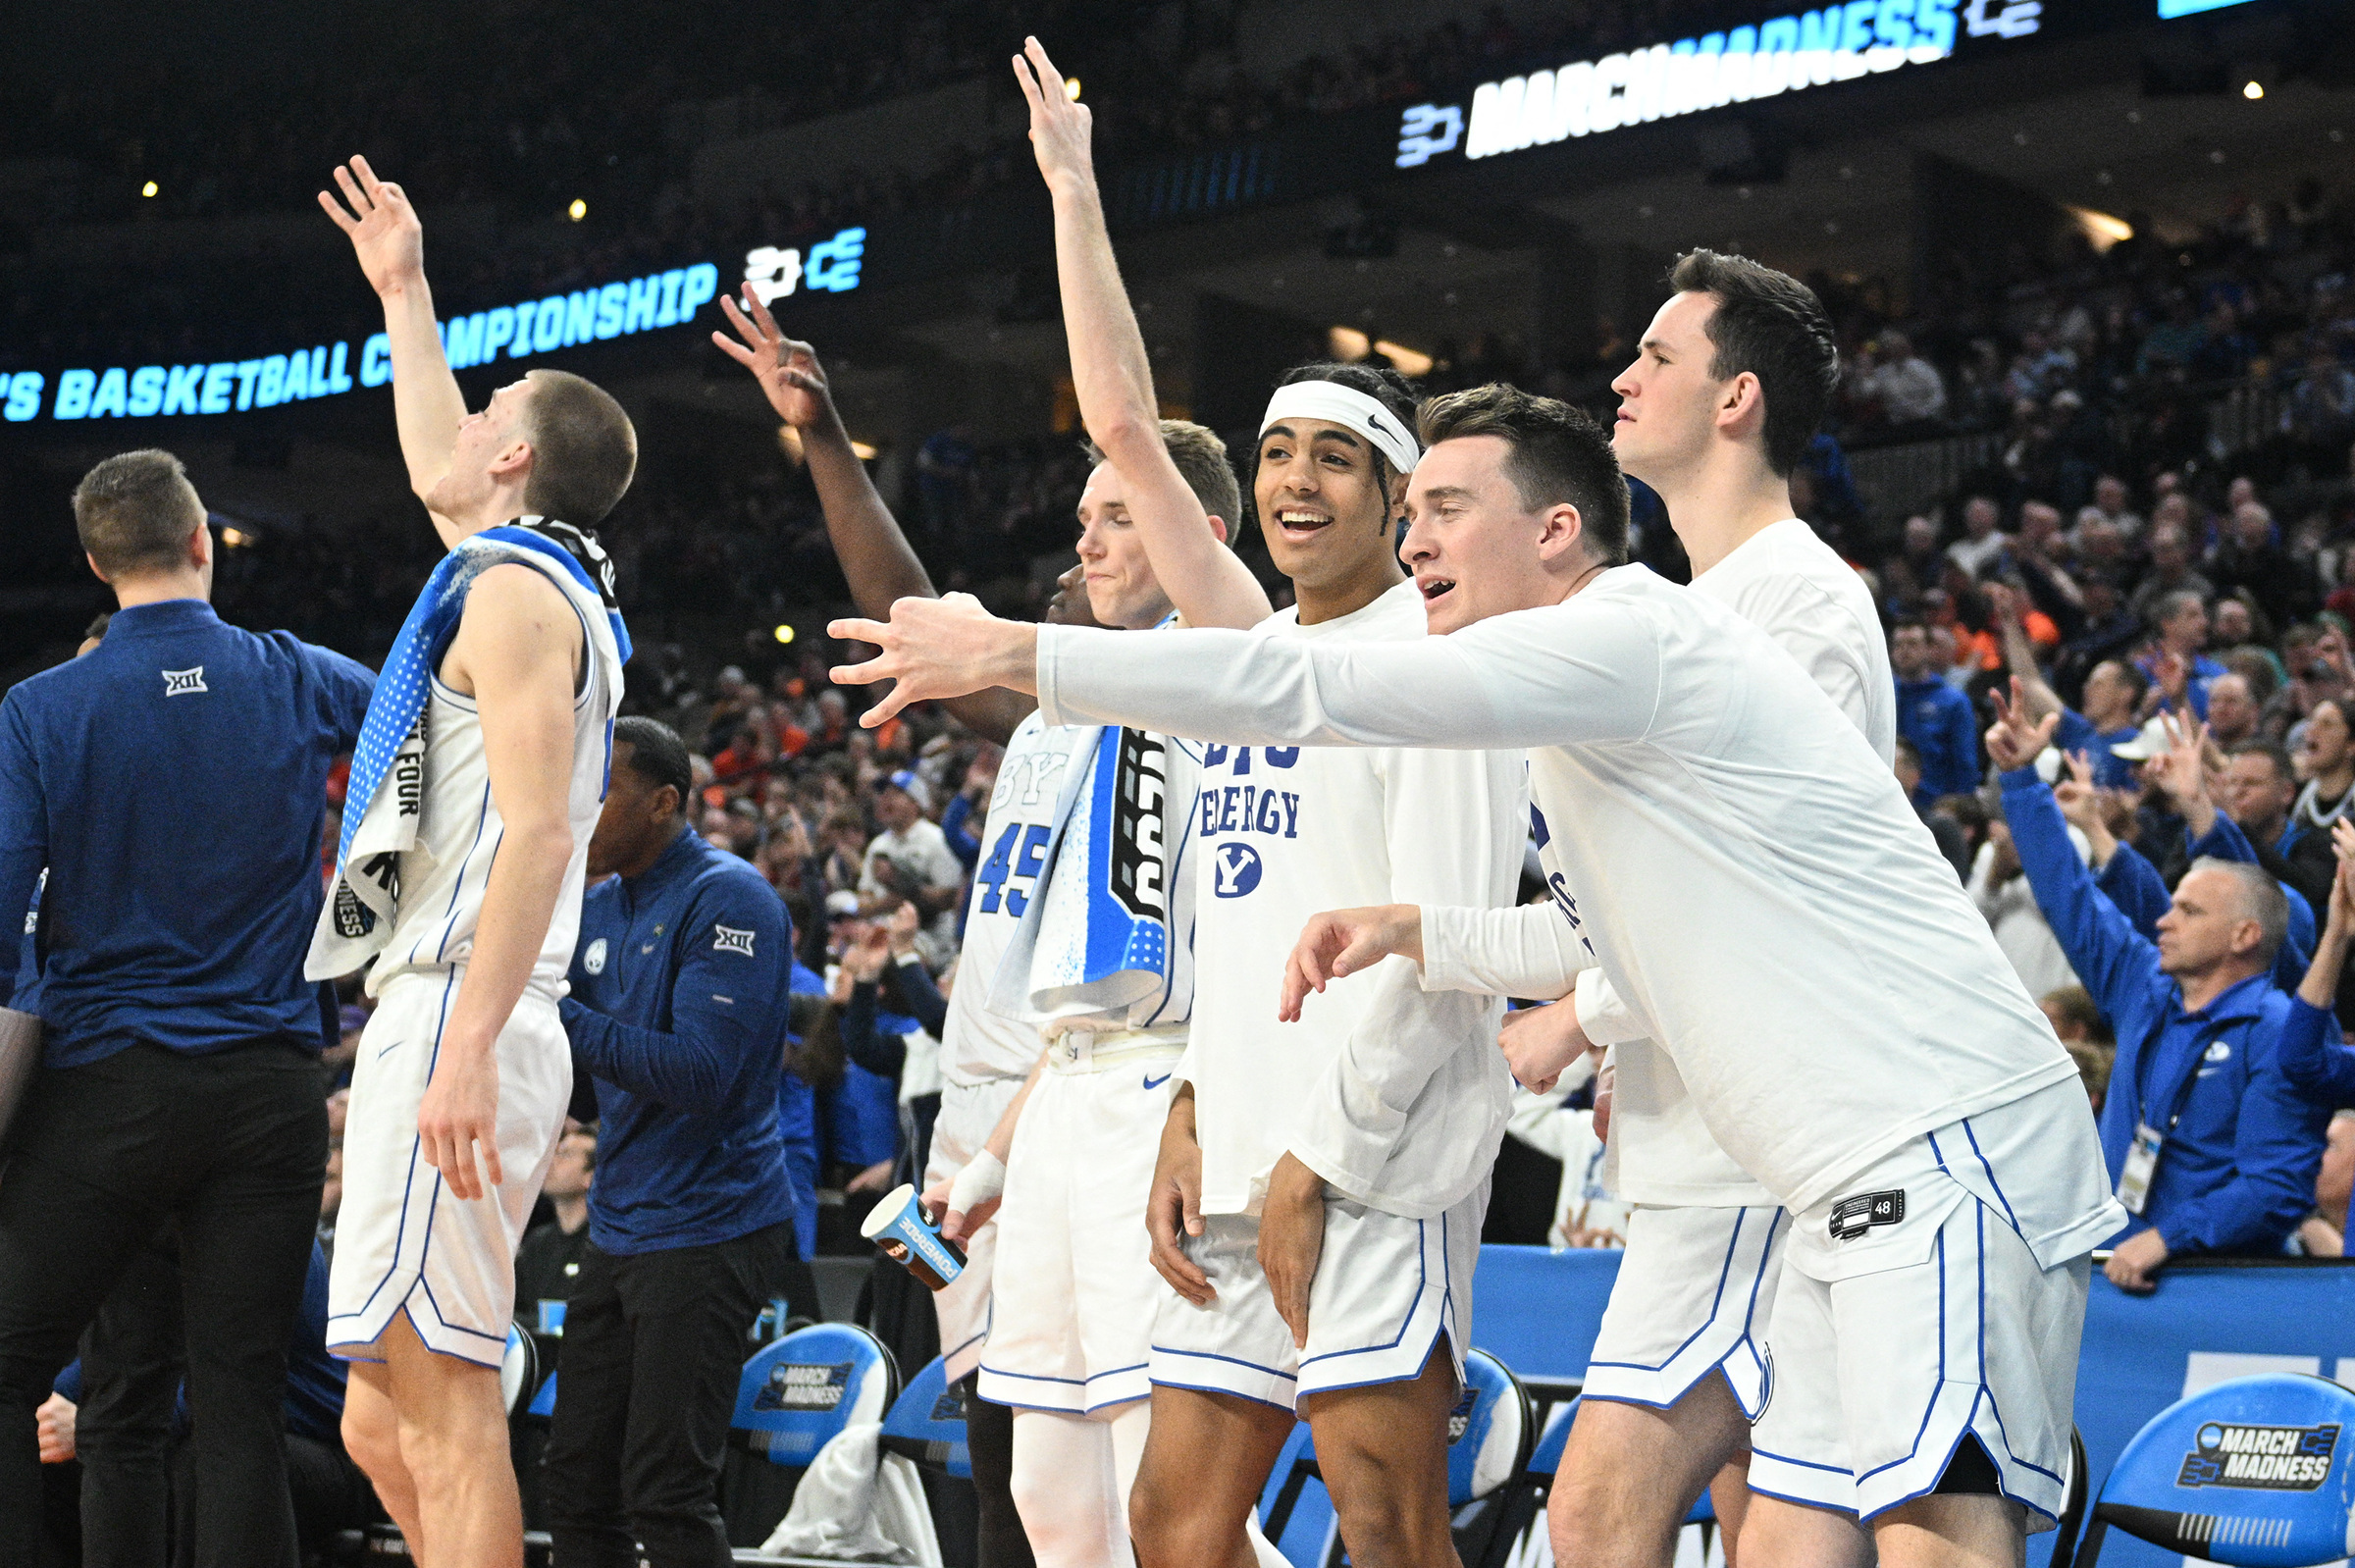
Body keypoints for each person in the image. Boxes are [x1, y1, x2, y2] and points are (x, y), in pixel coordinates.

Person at [830, 383, 2123, 1568]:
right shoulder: (1575, 707)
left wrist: (1013, 650)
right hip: (1827, 1165)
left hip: (1937, 1135)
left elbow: (1297, 687)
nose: (1416, 538)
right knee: (1691, 1524)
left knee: (1936, 1540)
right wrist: (1421, 932)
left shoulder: (1619, 634)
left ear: (1557, 529)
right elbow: (1585, 943)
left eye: (1445, 507)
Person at [1007, 44, 1523, 1568]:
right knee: (1174, 1522)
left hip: (1376, 1157)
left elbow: (1440, 952)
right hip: (1230, 1143)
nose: (1298, 481)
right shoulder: (1247, 652)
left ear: (1395, 498)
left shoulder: (1434, 665)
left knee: (1386, 1519)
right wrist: (1075, 189)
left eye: (1338, 462)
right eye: (1280, 452)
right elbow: (1122, 427)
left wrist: (1317, 1159)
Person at [713, 223, 1236, 1568]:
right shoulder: (1056, 697)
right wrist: (827, 440)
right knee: (1017, 1479)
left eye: (1117, 515)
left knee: (1145, 1501)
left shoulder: (1233, 681)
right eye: (1085, 519)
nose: (1081, 543)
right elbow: (904, 608)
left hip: (1135, 1094)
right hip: (1006, 1117)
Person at [1517, 250, 1896, 1568]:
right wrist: (1434, 938)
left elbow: (1772, 887)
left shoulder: (1794, 599)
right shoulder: (1701, 605)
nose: (1621, 378)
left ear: (1736, 400)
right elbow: (1644, 905)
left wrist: (1585, 1010)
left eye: (1657, 358)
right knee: (1758, 1525)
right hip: (1707, 1149)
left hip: (1762, 1150)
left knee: (1600, 1512)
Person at [316, 155, 635, 1568]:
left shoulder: (511, 596)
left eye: (495, 410)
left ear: (518, 455)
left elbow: (544, 833)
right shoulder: (516, 571)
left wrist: (463, 1043)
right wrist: (405, 290)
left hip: (467, 1003)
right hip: (456, 1006)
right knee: (381, 1426)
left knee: (446, 1415)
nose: (474, 422)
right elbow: (438, 469)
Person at [0, 449, 374, 1568]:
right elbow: (446, 733)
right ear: (204, 537)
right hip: (268, 1090)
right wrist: (363, 913)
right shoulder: (298, 671)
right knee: (238, 1402)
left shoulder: (41, 706)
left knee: (32, 1373)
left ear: (93, 562)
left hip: (104, 1087)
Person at [544, 716, 809, 1568]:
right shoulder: (599, 904)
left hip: (710, 1224)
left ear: (663, 802)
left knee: (667, 1490)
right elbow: (590, 1080)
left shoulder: (731, 899)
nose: (580, 808)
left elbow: (701, 1073)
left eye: (601, 790)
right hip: (622, 1224)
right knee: (578, 1487)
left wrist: (552, 1009)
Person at [1991, 696, 2329, 1294]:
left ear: (2243, 936)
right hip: (2111, 1268)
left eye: (2189, 911)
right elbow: (2067, 895)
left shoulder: (2278, 1029)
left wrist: (2170, 1237)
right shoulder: (2145, 986)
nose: (2164, 920)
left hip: (2216, 1285)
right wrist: (2021, 781)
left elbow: (2277, 1186)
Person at [1987, 582, 2147, 790]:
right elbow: (2029, 681)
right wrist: (2009, 622)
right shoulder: (2080, 731)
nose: (2086, 689)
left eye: (2098, 684)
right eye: (2088, 683)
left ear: (2126, 694)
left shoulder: (2138, 746)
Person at [513, 1127, 598, 1330]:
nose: (551, 1162)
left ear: (591, 1177)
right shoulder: (537, 1243)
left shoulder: (601, 1244)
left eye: (565, 1155)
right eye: (554, 1152)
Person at [1892, 619, 1978, 804]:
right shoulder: (1884, 696)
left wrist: (1959, 808)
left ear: (1928, 650)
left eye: (1913, 644)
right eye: (1898, 644)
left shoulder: (1953, 702)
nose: (1905, 650)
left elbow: (1965, 764)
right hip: (1889, 801)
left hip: (1936, 805)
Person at [1895, 740, 1970, 880]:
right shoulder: (1858, 825)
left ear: (1913, 776)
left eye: (1890, 762)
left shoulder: (1941, 829)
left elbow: (1955, 885)